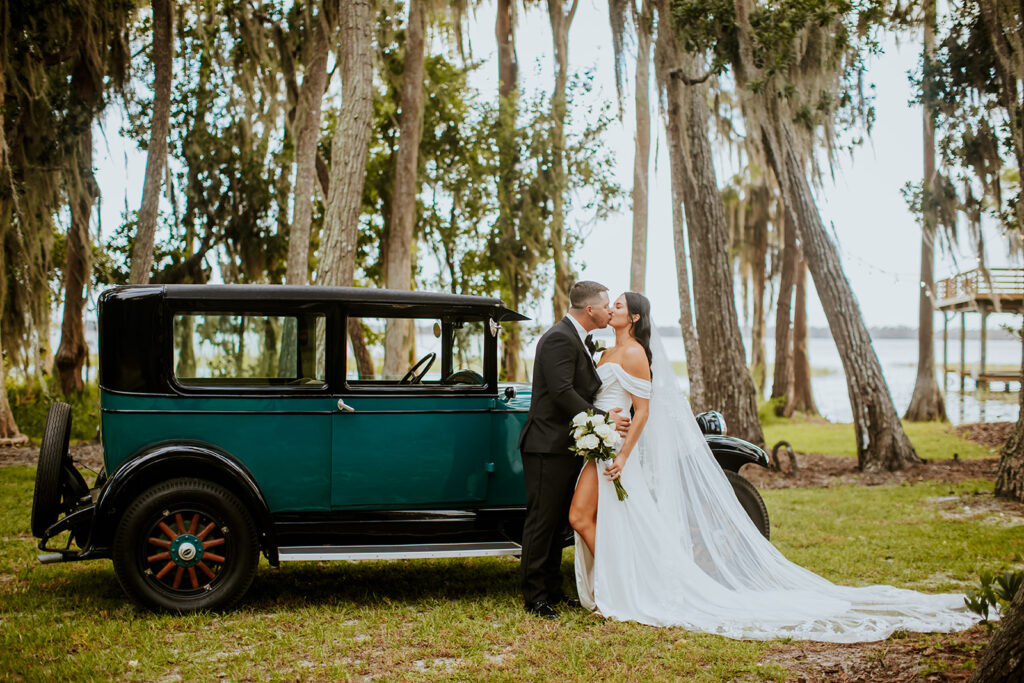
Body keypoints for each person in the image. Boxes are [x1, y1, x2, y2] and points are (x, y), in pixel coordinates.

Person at [568, 291, 981, 642]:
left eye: (620, 305)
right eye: (612, 304)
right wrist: (598, 425)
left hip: (615, 452)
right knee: (607, 521)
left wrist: (622, 454)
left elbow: (642, 412)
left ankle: (625, 589)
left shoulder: (637, 353)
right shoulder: (606, 351)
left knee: (604, 519)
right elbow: (601, 397)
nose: (613, 308)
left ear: (634, 317)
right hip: (600, 443)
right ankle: (627, 585)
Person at [517, 281, 629, 619]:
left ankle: (552, 588)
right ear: (590, 310)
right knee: (541, 522)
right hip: (545, 447)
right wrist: (602, 419)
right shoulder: (558, 338)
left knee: (556, 525)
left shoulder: (577, 339)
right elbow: (562, 391)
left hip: (566, 445)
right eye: (607, 305)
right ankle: (535, 596)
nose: (610, 310)